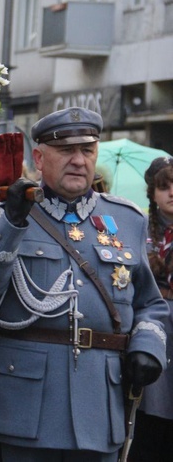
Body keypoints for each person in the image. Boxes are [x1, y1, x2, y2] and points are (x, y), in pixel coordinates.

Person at [0, 107, 168, 461]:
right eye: (66, 151)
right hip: (25, 402)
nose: (78, 160)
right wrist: (11, 225)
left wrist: (148, 345)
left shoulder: (126, 220)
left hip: (99, 400)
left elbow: (150, 303)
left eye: (87, 150)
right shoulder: (6, 216)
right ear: (40, 159)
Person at [126, 156, 173, 461]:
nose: (171, 193)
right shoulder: (138, 228)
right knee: (150, 412)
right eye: (164, 186)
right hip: (156, 325)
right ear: (152, 193)